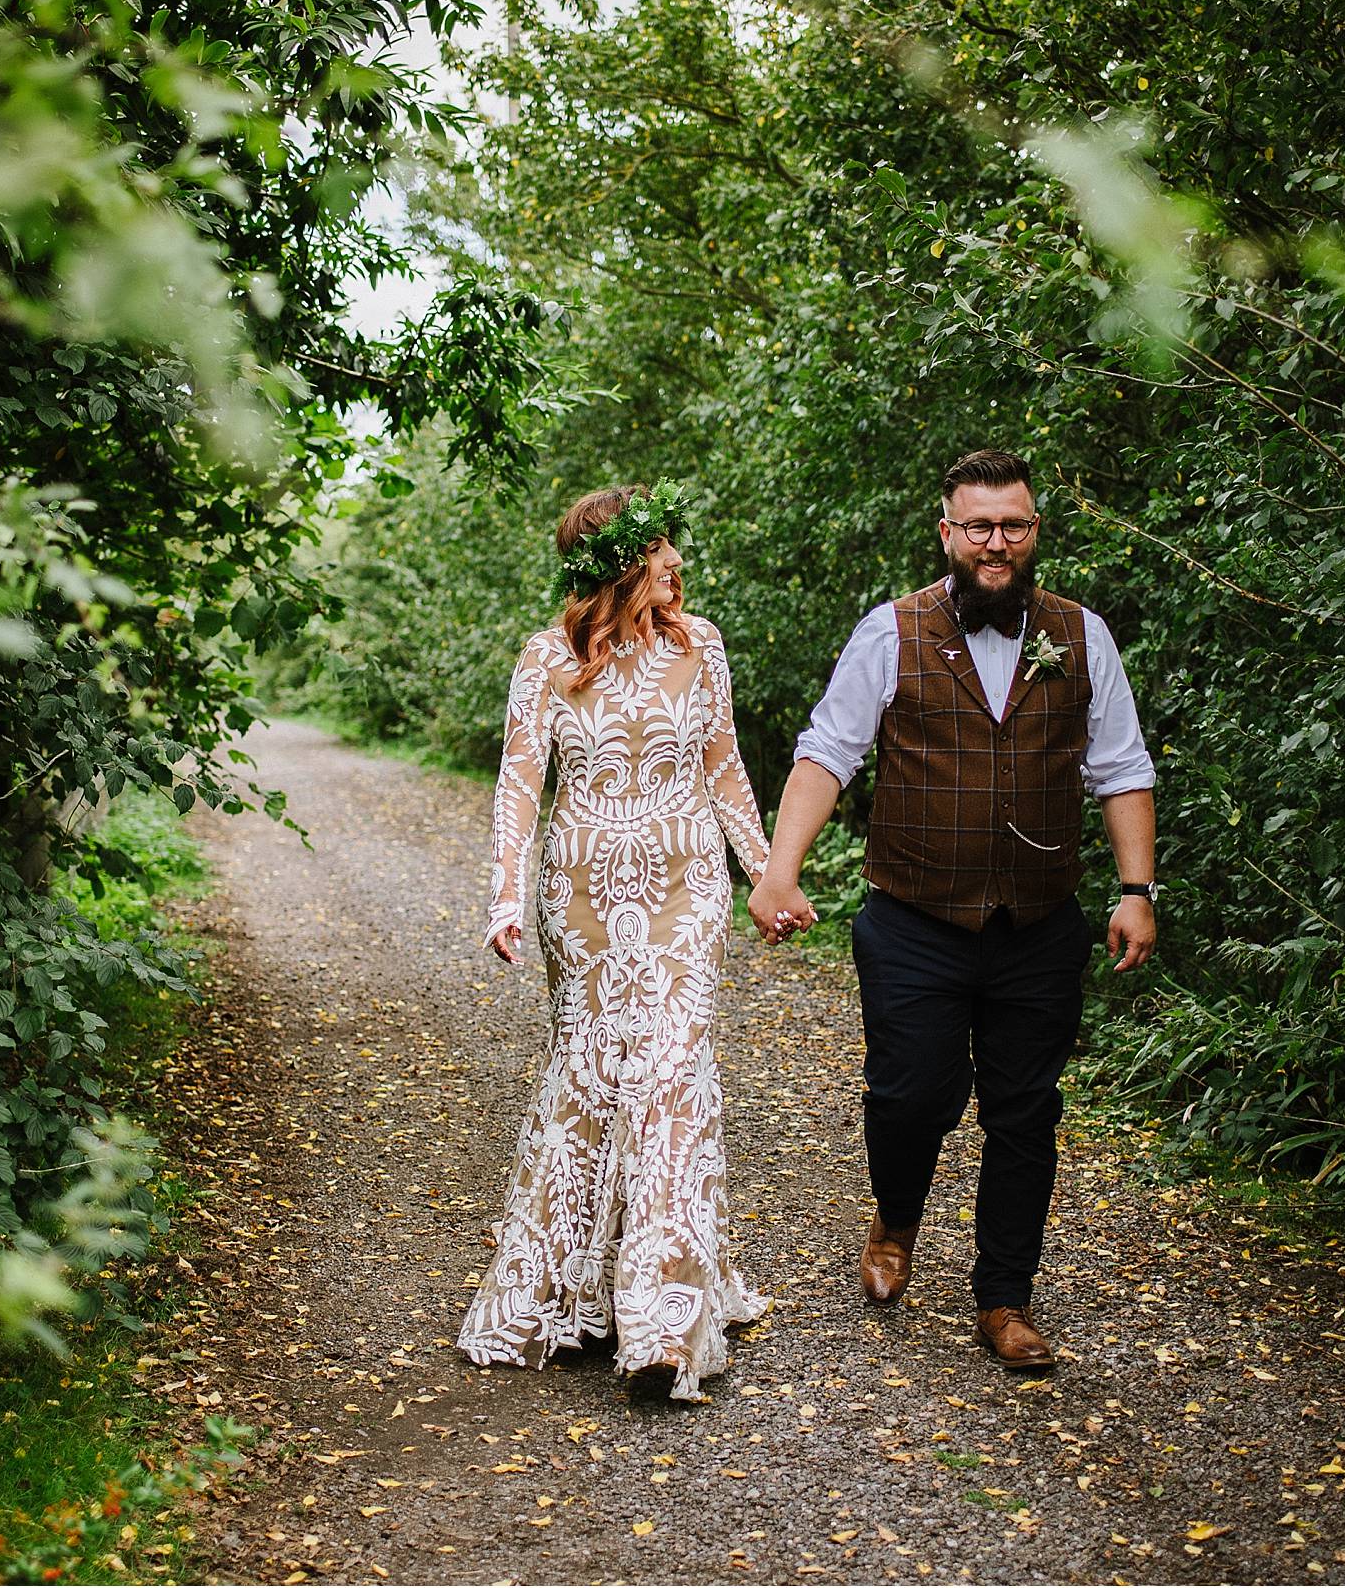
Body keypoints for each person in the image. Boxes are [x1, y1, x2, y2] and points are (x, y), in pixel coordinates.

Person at [747, 448, 1158, 1369]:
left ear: (1034, 531)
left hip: (1039, 926)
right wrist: (780, 870)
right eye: (979, 526)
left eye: (1013, 525)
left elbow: (1122, 769)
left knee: (1026, 1110)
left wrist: (1137, 892)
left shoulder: (1083, 636)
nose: (996, 543)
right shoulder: (891, 633)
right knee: (911, 1094)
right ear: (948, 534)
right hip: (914, 921)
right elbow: (828, 752)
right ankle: (895, 1220)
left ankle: (1006, 1297)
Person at [457, 481, 772, 1401]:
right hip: (583, 899)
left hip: (686, 891)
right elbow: (521, 783)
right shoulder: (546, 658)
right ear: (618, 565)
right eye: (660, 548)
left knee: (673, 1074)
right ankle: (573, 1291)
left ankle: (665, 1325)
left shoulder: (701, 645)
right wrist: (504, 894)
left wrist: (765, 876)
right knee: (594, 1078)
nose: (676, 562)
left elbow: (725, 771)